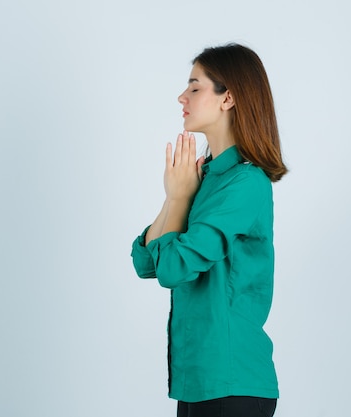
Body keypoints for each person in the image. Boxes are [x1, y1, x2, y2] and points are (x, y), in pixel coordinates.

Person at [130, 43, 287, 417]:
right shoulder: (205, 176)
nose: (182, 96)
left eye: (195, 87)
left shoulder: (246, 184)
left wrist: (181, 201)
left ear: (227, 98)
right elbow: (144, 261)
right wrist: (175, 195)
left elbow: (172, 268)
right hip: (198, 382)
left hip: (233, 384)